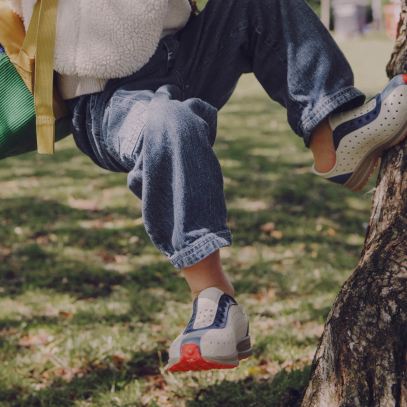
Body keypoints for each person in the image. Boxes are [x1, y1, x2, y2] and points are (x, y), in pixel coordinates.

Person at [7, 0, 407, 372]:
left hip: (182, 52)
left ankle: (331, 138)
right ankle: (212, 297)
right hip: (106, 98)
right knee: (169, 123)